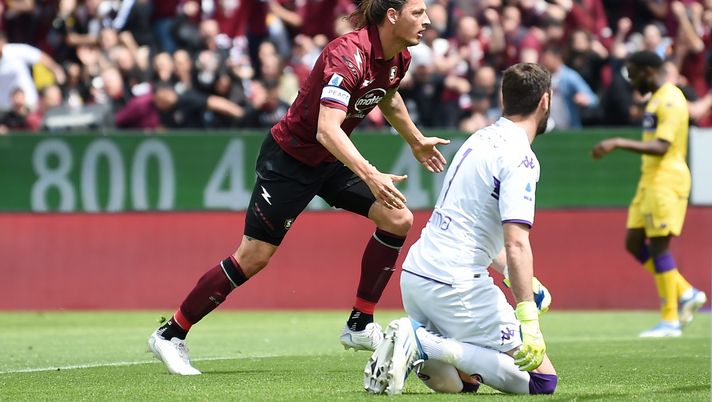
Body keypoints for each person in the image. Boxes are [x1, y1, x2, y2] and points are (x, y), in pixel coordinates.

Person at [148, 0, 449, 375]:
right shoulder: (348, 55)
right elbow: (326, 129)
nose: (428, 20)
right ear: (392, 16)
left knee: (398, 218)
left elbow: (386, 95)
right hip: (289, 161)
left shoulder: (398, 57)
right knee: (253, 257)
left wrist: (415, 140)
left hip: (329, 161)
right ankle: (171, 333)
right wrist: (371, 174)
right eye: (418, 12)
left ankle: (359, 324)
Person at [364, 62, 558, 396]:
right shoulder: (522, 159)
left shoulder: (478, 139)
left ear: (503, 97)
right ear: (545, 101)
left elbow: (474, 229)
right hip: (454, 285)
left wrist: (521, 279)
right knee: (542, 383)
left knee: (466, 383)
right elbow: (516, 244)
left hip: (417, 275)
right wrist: (528, 318)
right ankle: (421, 342)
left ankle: (421, 347)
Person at [592, 51, 707, 338]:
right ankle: (685, 291)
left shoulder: (670, 99)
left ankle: (670, 320)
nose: (631, 81)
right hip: (650, 181)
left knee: (659, 248)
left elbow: (662, 146)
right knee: (633, 242)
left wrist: (617, 141)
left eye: (633, 74)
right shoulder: (655, 98)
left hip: (667, 180)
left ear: (648, 71)